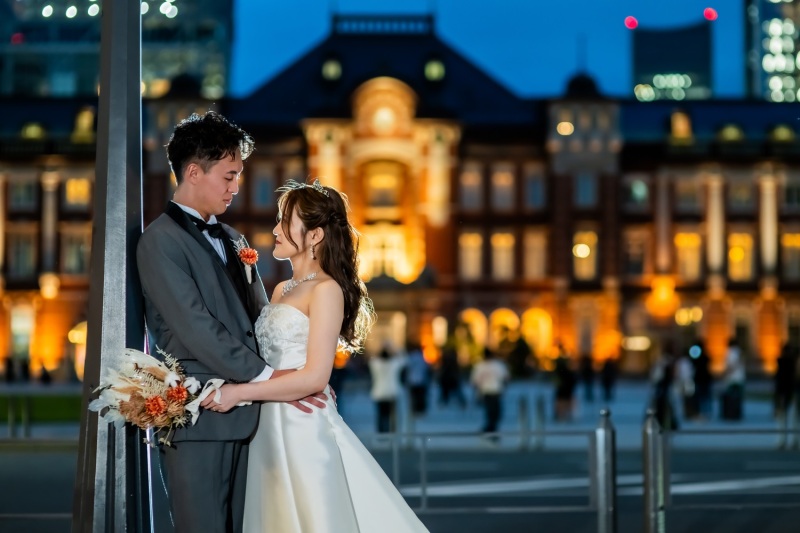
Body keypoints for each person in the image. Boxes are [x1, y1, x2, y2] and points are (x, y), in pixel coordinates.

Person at [136, 111, 327, 533]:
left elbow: (260, 320)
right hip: (200, 418)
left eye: (238, 175)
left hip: (255, 417)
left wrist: (290, 378)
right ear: (193, 173)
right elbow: (195, 327)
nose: (236, 187)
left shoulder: (236, 239)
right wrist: (269, 377)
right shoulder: (159, 242)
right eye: (229, 175)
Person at [202, 179, 428, 532]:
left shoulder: (327, 290)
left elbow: (315, 377)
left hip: (302, 428)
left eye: (284, 221)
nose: (275, 229)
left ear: (314, 236)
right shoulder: (280, 288)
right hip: (268, 425)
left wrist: (238, 393)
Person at [470, 347, 509, 441]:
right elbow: (506, 378)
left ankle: (489, 430)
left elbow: (475, 381)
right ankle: (491, 431)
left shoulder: (480, 366)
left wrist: (476, 393)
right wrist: (504, 388)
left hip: (486, 391)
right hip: (495, 391)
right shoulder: (498, 365)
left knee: (492, 413)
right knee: (494, 413)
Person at [368, 347, 405, 433]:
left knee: (381, 415)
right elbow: (403, 360)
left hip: (379, 393)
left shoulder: (376, 364)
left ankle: (381, 432)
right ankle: (392, 432)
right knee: (391, 416)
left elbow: (371, 360)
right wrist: (394, 351)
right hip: (392, 392)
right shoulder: (394, 364)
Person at [774, 341, 798, 449]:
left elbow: (778, 381)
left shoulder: (781, 362)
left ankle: (782, 441)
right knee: (794, 418)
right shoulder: (793, 363)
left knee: (782, 419)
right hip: (792, 392)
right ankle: (794, 440)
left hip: (783, 393)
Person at [405, 341, 432, 417]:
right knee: (421, 397)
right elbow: (427, 368)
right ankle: (420, 410)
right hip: (421, 380)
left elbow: (407, 367)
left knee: (414, 397)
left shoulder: (410, 357)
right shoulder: (422, 357)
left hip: (412, 380)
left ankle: (414, 410)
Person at [721, 338, 746, 421]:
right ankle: (737, 413)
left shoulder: (730, 352)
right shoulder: (739, 352)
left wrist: (726, 373)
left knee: (731, 397)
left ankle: (731, 414)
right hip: (740, 378)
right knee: (738, 397)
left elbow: (731, 365)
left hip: (732, 378)